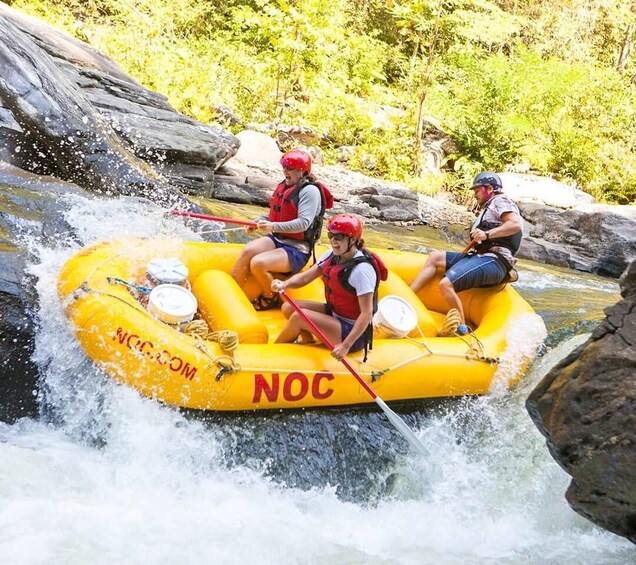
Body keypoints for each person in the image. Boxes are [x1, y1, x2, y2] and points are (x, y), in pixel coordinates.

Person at [410, 172, 522, 335]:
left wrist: (487, 235)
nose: (475, 194)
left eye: (477, 190)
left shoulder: (500, 201)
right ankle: (408, 296)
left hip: (495, 261)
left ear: (489, 189)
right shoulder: (488, 208)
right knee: (435, 257)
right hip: (480, 256)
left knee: (446, 284)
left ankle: (461, 328)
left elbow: (515, 225)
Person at [271, 214, 387, 361]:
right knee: (289, 307)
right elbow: (306, 277)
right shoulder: (331, 256)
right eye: (331, 235)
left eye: (339, 237)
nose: (333, 241)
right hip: (335, 314)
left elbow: (366, 313)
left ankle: (274, 353)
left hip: (352, 333)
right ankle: (308, 342)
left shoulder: (362, 270)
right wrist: (284, 284)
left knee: (298, 317)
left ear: (353, 240)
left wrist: (345, 346)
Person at [231, 149, 333, 310]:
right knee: (248, 251)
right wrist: (257, 222)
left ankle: (270, 296)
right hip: (278, 239)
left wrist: (273, 226)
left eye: (290, 168)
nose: (285, 171)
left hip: (298, 249)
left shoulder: (310, 191)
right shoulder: (285, 185)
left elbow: (303, 223)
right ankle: (231, 297)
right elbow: (276, 215)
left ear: (302, 171)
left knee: (258, 263)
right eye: (284, 167)